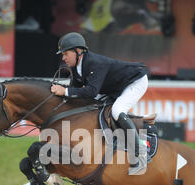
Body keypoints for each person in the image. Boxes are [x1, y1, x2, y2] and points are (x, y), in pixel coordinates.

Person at [51, 32, 149, 175]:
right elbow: (77, 91)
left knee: (117, 110)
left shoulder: (95, 63)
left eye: (66, 54)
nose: (63, 58)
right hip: (114, 87)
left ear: (78, 52)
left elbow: (90, 92)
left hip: (135, 81)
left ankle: (140, 154)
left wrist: (64, 91)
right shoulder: (76, 66)